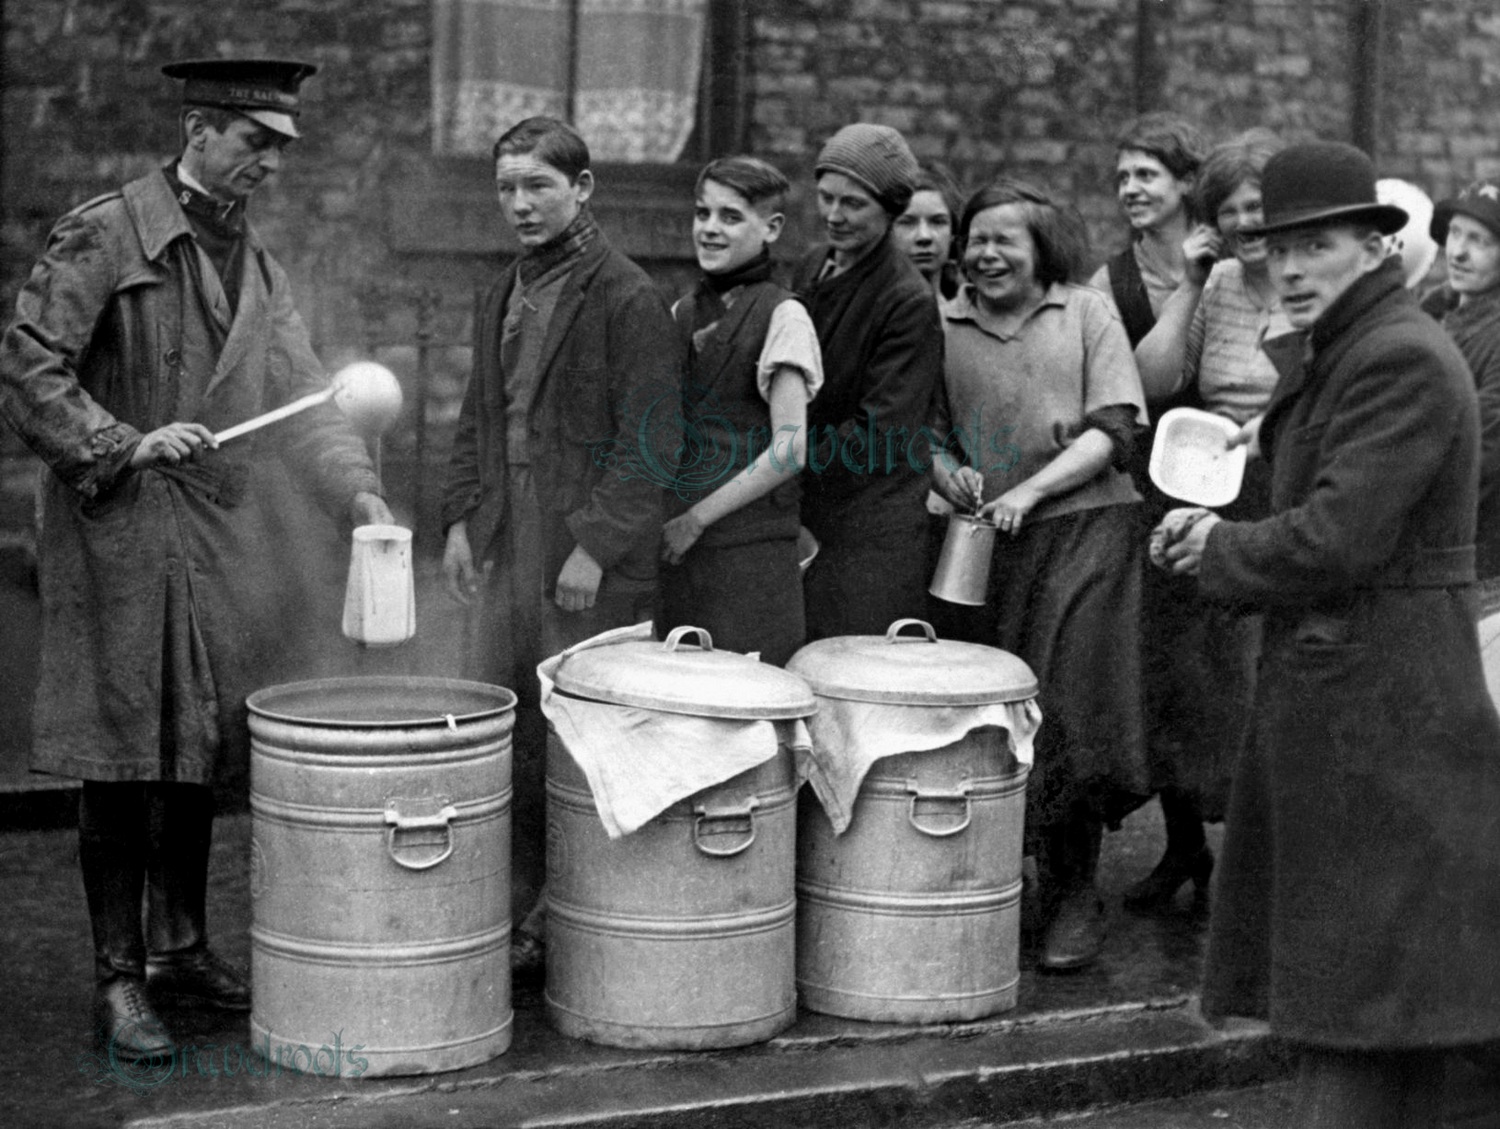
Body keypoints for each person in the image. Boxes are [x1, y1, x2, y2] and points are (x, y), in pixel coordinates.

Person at [0, 58, 393, 1060]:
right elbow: (26, 365)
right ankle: (118, 980)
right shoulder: (108, 231)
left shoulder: (255, 266)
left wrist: (359, 491)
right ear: (201, 128)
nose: (268, 162)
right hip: (121, 534)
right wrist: (122, 441)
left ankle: (179, 950)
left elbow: (311, 396)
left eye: (280, 148)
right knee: (121, 755)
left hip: (214, 540)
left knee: (194, 749)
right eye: (255, 141)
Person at [1159, 140, 1500, 1128]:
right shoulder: (1350, 349)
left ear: (1373, 248)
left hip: (1384, 706)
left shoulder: (1393, 355)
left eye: (1319, 245)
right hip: (1361, 694)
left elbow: (1339, 538)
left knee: (1370, 1002)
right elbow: (1313, 497)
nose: (1293, 268)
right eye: (1280, 250)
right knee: (1379, 1004)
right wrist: (1228, 506)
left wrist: (1219, 551)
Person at [439, 117, 680, 976]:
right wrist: (463, 522)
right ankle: (512, 904)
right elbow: (478, 416)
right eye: (507, 188)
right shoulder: (502, 290)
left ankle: (570, 914)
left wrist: (595, 549)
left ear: (583, 189)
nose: (520, 204)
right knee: (504, 721)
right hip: (510, 533)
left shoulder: (626, 295)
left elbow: (649, 443)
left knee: (577, 734)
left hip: (579, 549)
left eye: (538, 186)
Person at [930, 179, 1151, 972]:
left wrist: (1032, 488)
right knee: (996, 714)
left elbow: (1115, 429)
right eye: (977, 238)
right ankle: (1006, 880)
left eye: (1005, 240)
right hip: (988, 541)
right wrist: (951, 469)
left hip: (1087, 526)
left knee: (1069, 706)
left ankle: (1074, 892)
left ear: (1041, 248)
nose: (986, 254)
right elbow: (927, 427)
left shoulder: (1085, 309)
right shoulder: (943, 318)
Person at [1123, 129, 1289, 911]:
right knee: (1182, 675)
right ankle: (1185, 847)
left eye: (1258, 206)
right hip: (1206, 485)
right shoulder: (1217, 281)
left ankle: (1267, 867)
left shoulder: (1310, 281)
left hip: (1287, 495)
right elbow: (1155, 382)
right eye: (1231, 210)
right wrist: (1188, 284)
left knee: (1259, 687)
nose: (1247, 222)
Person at [658, 156, 823, 667]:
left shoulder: (784, 315)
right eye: (702, 213)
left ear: (770, 228)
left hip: (752, 561)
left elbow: (790, 449)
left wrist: (697, 518)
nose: (709, 229)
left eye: (730, 218)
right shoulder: (683, 312)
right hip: (682, 555)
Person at [791, 123, 945, 639]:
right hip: (811, 511)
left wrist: (783, 458)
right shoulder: (813, 267)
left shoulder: (906, 301)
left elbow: (879, 435)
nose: (834, 215)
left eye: (852, 204)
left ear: (890, 209)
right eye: (826, 198)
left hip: (870, 530)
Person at [1422, 179, 1500, 596]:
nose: (1458, 252)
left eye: (1480, 240)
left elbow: (1481, 455)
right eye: (1454, 233)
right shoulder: (1432, 312)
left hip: (1475, 563)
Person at [1088, 112, 1211, 348]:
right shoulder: (1109, 286)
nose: (1129, 190)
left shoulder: (1227, 260)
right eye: (1123, 178)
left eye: (1145, 175)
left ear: (1187, 181)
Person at [893, 162, 964, 300]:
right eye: (907, 222)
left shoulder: (973, 314)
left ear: (953, 234)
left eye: (938, 222)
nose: (923, 236)